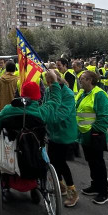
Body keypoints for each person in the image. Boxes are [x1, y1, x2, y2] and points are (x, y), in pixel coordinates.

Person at [40, 70, 79, 206]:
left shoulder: (67, 93)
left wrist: (44, 116)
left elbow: (61, 114)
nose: (48, 84)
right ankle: (60, 185)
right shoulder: (49, 91)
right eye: (47, 82)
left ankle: (72, 192)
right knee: (52, 161)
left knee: (61, 163)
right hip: (52, 133)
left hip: (65, 133)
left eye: (50, 81)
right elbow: (45, 106)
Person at [75, 71, 108, 204]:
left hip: (95, 135)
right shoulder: (82, 93)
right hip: (84, 134)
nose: (80, 80)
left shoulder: (99, 95)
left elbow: (103, 118)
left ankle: (103, 192)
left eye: (83, 78)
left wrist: (93, 132)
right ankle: (95, 185)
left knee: (98, 163)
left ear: (90, 80)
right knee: (91, 162)